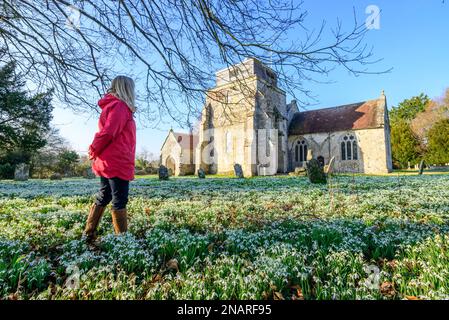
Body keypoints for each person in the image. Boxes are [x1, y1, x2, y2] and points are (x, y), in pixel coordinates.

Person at [83, 76, 137, 243]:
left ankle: (88, 234)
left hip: (109, 160)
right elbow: (109, 132)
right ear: (127, 88)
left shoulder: (115, 106)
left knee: (105, 195)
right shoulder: (120, 106)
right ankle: (123, 242)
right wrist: (93, 148)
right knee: (119, 199)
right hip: (117, 161)